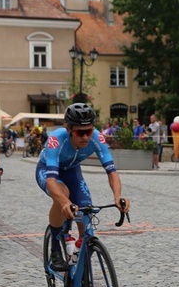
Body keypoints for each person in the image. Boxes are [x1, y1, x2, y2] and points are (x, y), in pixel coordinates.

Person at [35, 103, 130, 271]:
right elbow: (51, 180)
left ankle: (78, 252)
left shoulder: (97, 139)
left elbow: (112, 172)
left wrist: (117, 196)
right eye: (81, 132)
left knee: (86, 210)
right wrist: (64, 203)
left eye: (89, 131)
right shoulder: (57, 139)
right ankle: (55, 248)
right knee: (63, 194)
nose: (86, 137)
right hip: (48, 171)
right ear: (69, 129)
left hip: (72, 171)